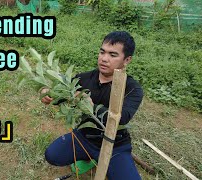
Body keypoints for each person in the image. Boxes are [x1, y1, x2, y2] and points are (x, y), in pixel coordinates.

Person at [40, 31, 143, 180]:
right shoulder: (84, 78)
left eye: (113, 55)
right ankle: (88, 158)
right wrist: (49, 94)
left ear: (127, 60)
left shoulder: (132, 88)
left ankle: (111, 160)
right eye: (102, 52)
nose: (104, 59)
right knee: (52, 155)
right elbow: (64, 95)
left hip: (116, 144)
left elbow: (123, 118)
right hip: (84, 137)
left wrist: (91, 106)